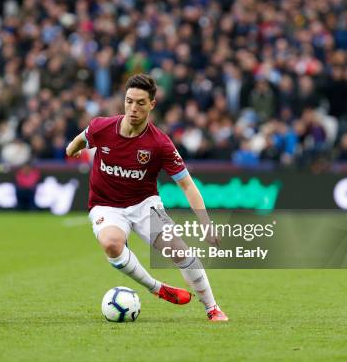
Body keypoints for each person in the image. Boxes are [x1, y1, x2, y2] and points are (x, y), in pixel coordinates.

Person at [65, 74, 228, 322]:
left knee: (180, 252)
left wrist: (205, 223)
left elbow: (187, 185)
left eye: (140, 103)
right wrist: (71, 148)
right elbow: (82, 138)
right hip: (106, 205)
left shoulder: (160, 143)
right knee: (111, 243)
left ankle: (212, 308)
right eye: (129, 101)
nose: (133, 108)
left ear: (152, 104)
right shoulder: (102, 127)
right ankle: (156, 288)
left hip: (144, 205)